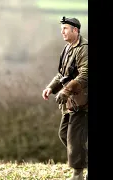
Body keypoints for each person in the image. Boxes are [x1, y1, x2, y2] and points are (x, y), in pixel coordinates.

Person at [42, 16, 88, 180]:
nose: (62, 32)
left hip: (82, 102)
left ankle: (78, 174)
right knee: (64, 134)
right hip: (70, 102)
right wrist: (51, 87)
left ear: (75, 30)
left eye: (65, 28)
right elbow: (62, 74)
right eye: (61, 29)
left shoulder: (84, 48)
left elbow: (85, 75)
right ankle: (83, 161)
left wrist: (66, 91)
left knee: (74, 138)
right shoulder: (68, 48)